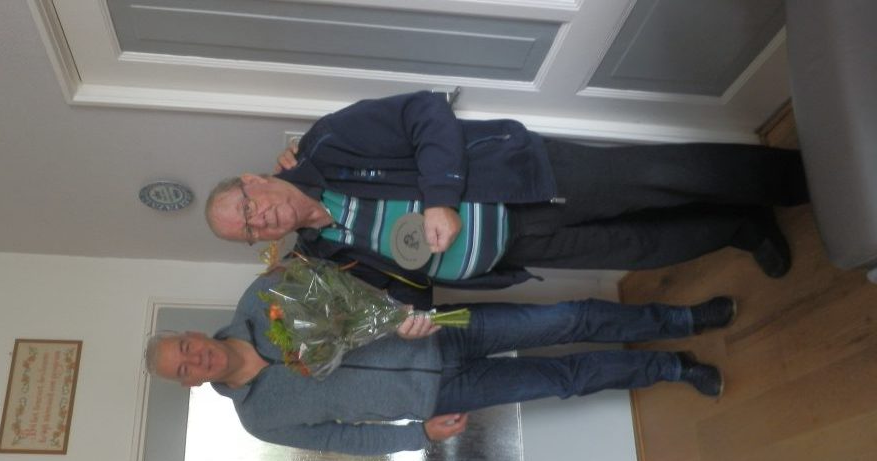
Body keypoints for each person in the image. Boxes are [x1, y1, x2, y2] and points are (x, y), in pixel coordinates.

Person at [205, 91, 809, 307]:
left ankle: (802, 178)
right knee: (641, 247)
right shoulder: (319, 254)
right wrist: (409, 313)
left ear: (252, 181)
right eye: (250, 233)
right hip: (515, 250)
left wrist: (440, 199)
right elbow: (402, 282)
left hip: (518, 182)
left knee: (659, 176)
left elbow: (425, 111)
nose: (262, 222)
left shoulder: (328, 143)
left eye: (248, 209)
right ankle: (742, 227)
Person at [146, 272, 736, 455]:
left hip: (437, 331)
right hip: (437, 398)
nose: (194, 359)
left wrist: (395, 310)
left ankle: (682, 320)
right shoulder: (259, 420)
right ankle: (673, 369)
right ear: (189, 384)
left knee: (565, 319)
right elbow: (343, 439)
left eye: (185, 348)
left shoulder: (260, 299)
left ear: (193, 334)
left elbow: (341, 286)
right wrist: (418, 436)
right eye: (183, 369)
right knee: (563, 379)